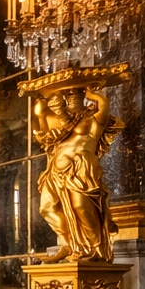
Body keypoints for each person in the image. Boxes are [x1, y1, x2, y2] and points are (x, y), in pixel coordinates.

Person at [30, 83, 121, 263]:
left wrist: (92, 93)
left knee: (81, 207)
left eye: (75, 97)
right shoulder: (62, 127)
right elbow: (42, 130)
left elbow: (103, 106)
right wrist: (39, 109)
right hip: (55, 172)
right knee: (47, 208)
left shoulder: (93, 121)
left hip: (80, 170)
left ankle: (95, 250)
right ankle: (68, 245)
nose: (70, 103)